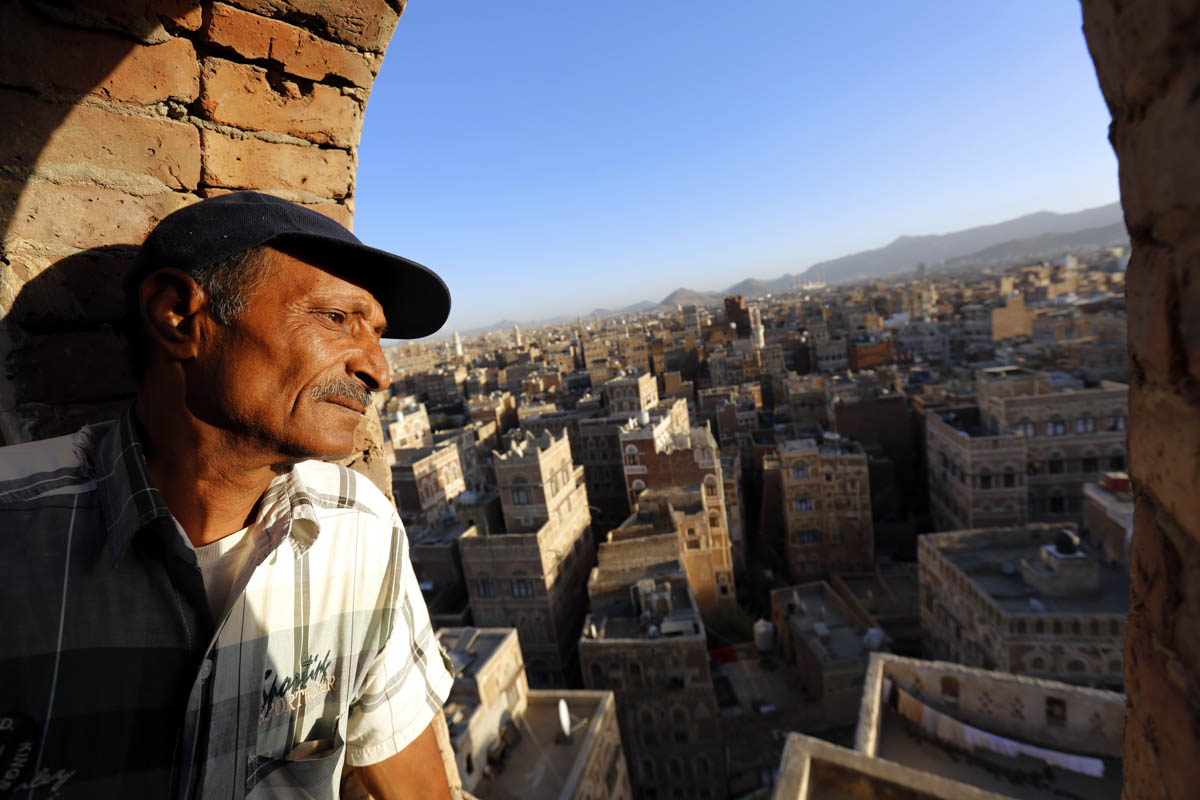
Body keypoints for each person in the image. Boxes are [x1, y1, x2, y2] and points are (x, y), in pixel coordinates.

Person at [0, 192, 456, 799]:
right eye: (335, 318)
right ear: (179, 317)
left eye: (378, 334)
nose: (378, 368)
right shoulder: (17, 534)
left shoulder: (362, 531)